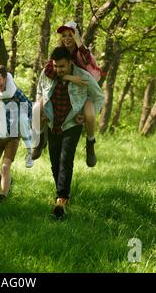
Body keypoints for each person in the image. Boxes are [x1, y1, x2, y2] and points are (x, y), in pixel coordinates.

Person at [37, 47, 104, 219]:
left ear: (70, 63)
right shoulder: (47, 74)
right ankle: (62, 194)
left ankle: (61, 200)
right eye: (56, 66)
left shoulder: (83, 76)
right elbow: (40, 91)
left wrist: (86, 113)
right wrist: (42, 108)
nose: (59, 70)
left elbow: (99, 97)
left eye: (62, 67)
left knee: (66, 159)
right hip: (53, 123)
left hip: (72, 122)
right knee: (54, 161)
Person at [32, 21, 105, 167]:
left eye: (70, 34)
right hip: (66, 92)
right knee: (35, 110)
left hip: (83, 92)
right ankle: (39, 140)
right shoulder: (59, 51)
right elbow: (49, 70)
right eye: (64, 35)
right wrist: (68, 77)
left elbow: (89, 62)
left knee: (90, 114)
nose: (66, 38)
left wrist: (78, 41)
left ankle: (90, 144)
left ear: (76, 35)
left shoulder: (82, 53)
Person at [0, 65, 33, 203]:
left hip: (12, 135)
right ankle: (8, 181)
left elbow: (29, 106)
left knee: (5, 166)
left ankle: (2, 196)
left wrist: (27, 123)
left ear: (4, 78)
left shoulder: (14, 92)